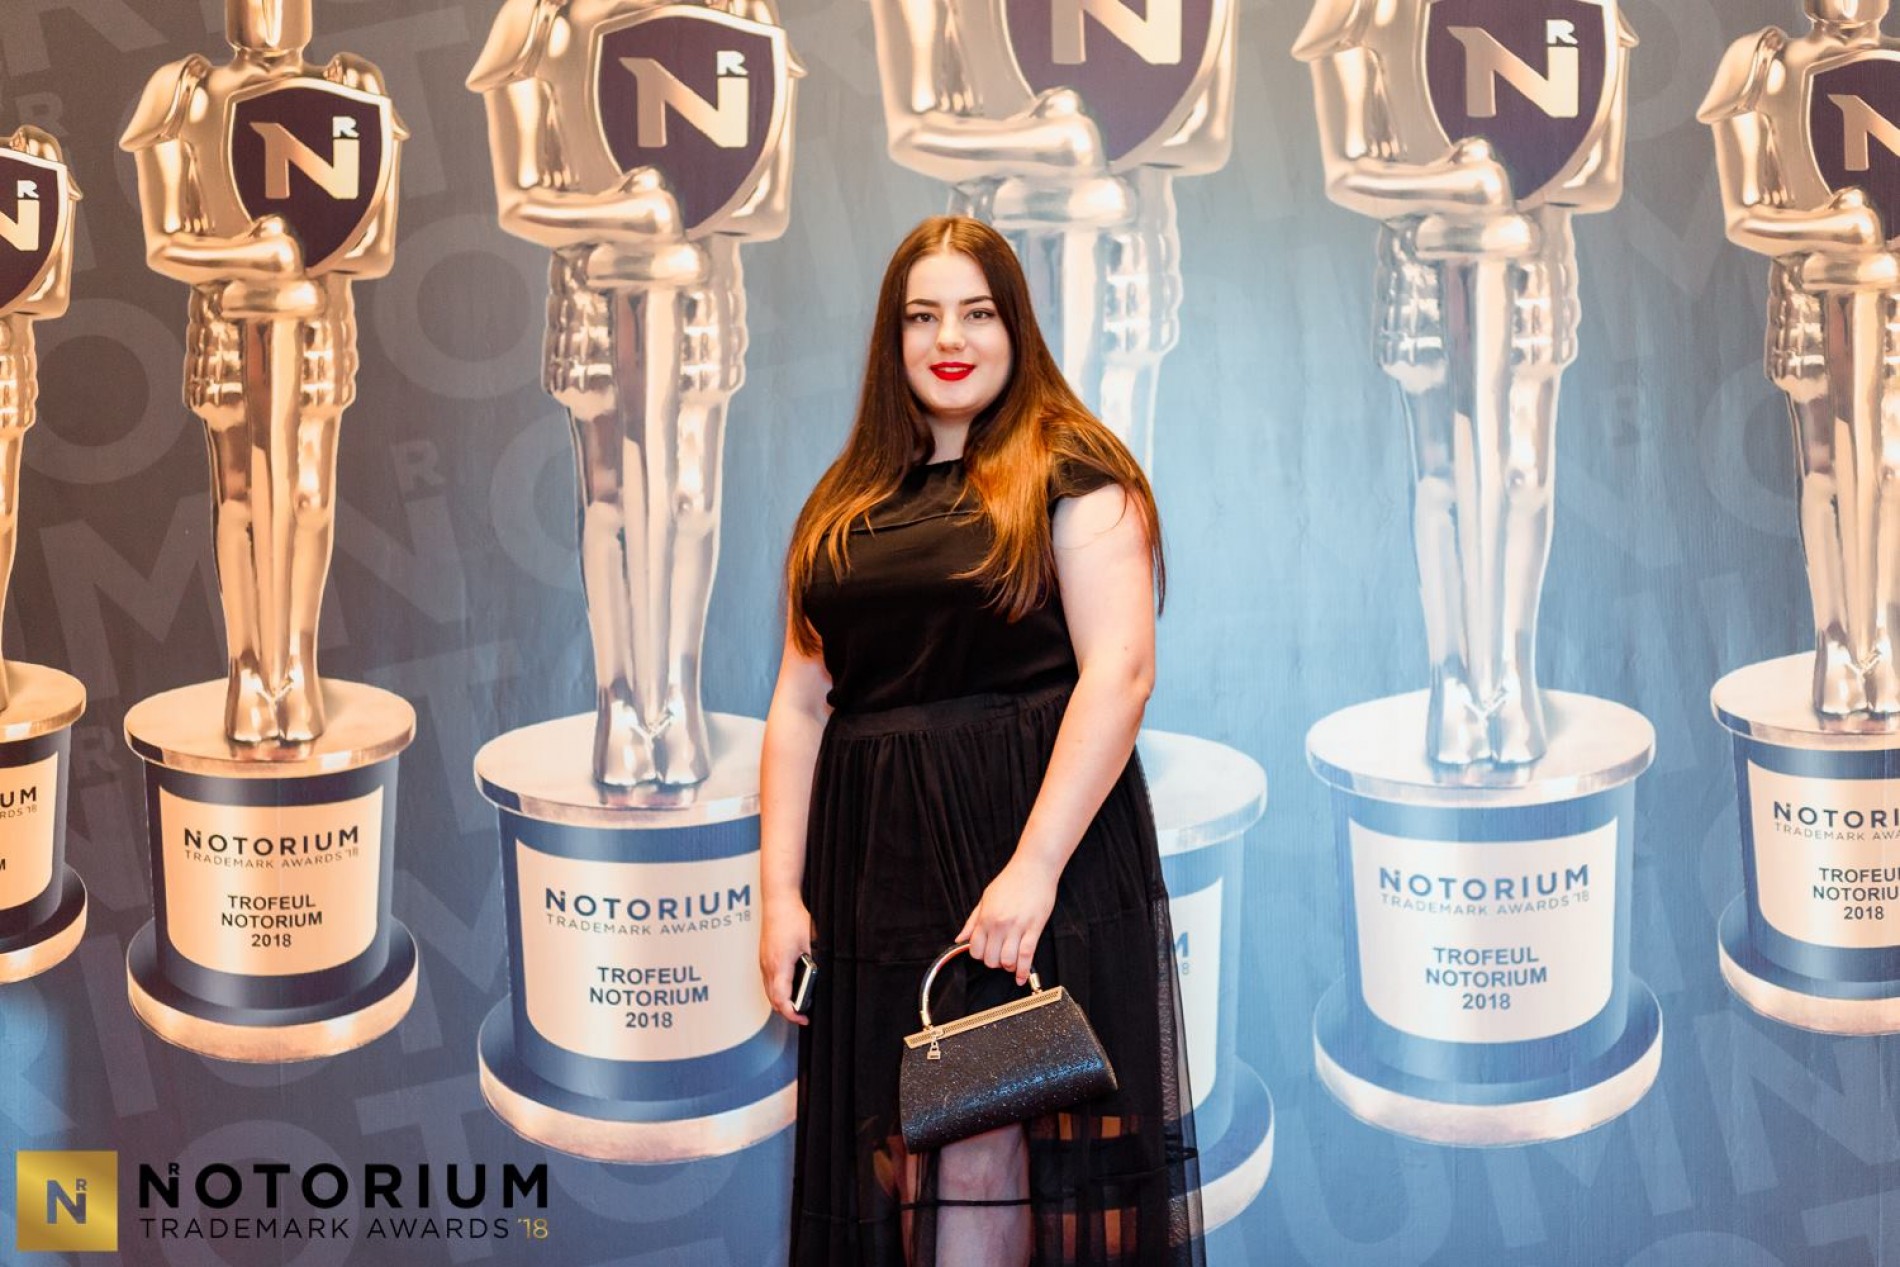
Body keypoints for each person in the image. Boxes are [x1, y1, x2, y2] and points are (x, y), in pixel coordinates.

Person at [758, 215, 1200, 1266]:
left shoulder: (1074, 470)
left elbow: (1120, 675)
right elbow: (799, 705)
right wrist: (778, 893)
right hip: (876, 871)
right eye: (922, 317)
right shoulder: (845, 503)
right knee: (912, 1154)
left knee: (979, 1145)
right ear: (893, 338)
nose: (949, 338)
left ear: (1016, 326)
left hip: (1027, 857)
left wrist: (1030, 872)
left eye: (976, 312)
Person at [1702, 0, 1900, 717]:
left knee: (1889, 470)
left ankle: (1884, 641)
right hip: (1811, 296)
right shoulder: (1764, 67)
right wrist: (1834, 230)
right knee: (1824, 472)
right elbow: (1745, 214)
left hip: (1892, 297)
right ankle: (1838, 642)